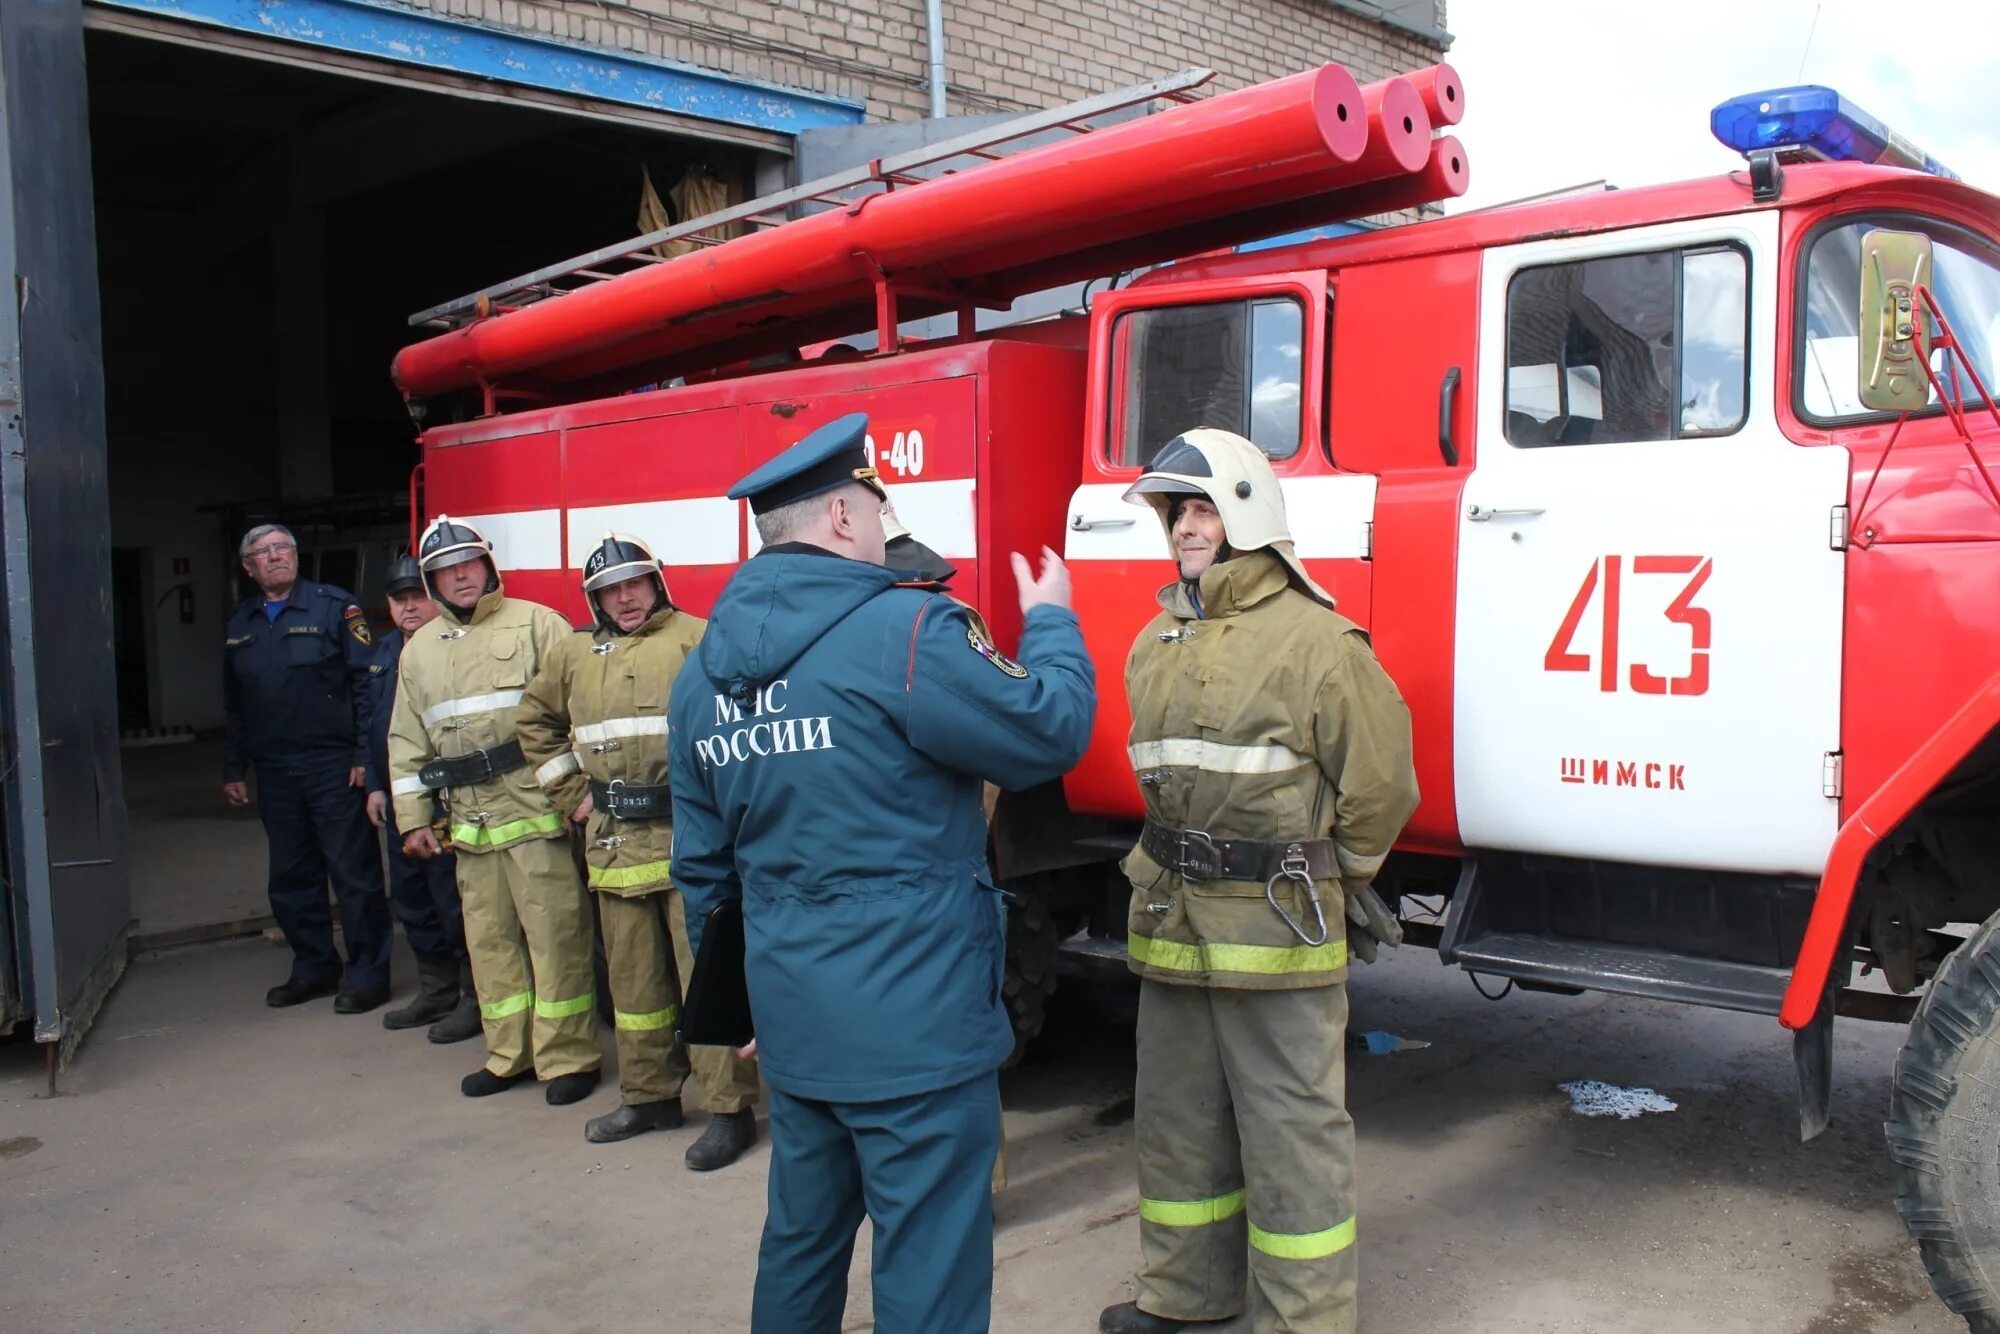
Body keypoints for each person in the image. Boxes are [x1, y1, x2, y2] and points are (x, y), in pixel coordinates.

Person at [668, 413, 1096, 1333]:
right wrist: (1055, 621)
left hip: (794, 1018)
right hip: (916, 1021)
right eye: (873, 503)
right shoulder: (907, 630)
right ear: (837, 518)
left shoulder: (699, 675)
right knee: (930, 1254)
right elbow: (1047, 733)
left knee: (800, 1239)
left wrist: (737, 1000)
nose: (878, 519)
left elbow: (705, 864)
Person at [1097, 430, 1419, 1334]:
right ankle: (1184, 1299)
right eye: (1175, 512)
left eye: (1201, 509)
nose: (1185, 529)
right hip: (1174, 923)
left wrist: (1332, 875)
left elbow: (1382, 787)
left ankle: (1303, 1321)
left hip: (1275, 935)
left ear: (1245, 514)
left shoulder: (1319, 642)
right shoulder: (1157, 639)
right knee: (1177, 1124)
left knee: (1292, 1141)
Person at [517, 532, 762, 1161]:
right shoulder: (573, 655)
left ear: (657, 583)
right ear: (594, 598)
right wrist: (570, 791)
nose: (624, 598)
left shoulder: (699, 638)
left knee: (705, 981)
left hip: (692, 843)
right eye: (609, 589)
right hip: (614, 848)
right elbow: (534, 722)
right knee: (633, 987)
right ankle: (650, 1095)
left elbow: (744, 719)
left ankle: (730, 1108)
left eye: (634, 583)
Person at [385, 516, 601, 1104]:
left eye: (468, 564)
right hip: (469, 827)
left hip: (535, 814)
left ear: (487, 565)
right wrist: (413, 818)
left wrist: (573, 796)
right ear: (431, 581)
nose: (460, 576)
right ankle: (510, 1055)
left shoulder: (537, 624)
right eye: (445, 570)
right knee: (490, 945)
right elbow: (407, 740)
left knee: (557, 938)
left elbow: (578, 714)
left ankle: (569, 1058)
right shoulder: (418, 651)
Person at [222, 522, 393, 1012]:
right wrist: (233, 765)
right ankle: (315, 967)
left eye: (284, 548)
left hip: (334, 766)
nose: (276, 557)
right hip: (275, 770)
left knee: (353, 873)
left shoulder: (336, 607)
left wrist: (365, 756)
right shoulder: (241, 623)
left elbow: (366, 686)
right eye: (264, 551)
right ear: (248, 566)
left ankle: (367, 975)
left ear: (296, 557)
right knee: (291, 877)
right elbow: (235, 701)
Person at [364, 555, 477, 1041]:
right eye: (399, 599)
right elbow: (373, 726)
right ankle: (436, 989)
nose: (408, 607)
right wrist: (374, 783)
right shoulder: (380, 653)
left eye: (416, 597)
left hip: (447, 796)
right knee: (411, 898)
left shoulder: (453, 648)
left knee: (456, 901)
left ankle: (476, 997)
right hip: (400, 797)